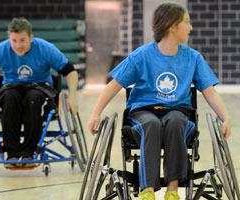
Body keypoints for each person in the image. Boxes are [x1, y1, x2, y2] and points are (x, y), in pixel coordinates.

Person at [88, 3, 231, 200]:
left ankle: (172, 191)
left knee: (175, 122)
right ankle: (147, 189)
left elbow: (210, 92)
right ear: (172, 26)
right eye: (187, 23)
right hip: (143, 112)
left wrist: (225, 117)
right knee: (152, 124)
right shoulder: (142, 55)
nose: (191, 28)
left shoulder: (192, 58)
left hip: (178, 111)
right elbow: (113, 85)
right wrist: (95, 113)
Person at [0, 18, 79, 168]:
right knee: (9, 98)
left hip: (39, 87)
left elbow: (70, 72)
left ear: (31, 38)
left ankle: (29, 152)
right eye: (14, 40)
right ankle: (12, 153)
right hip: (11, 87)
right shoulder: (1, 50)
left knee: (33, 99)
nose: (18, 45)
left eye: (22, 40)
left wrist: (72, 96)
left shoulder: (45, 48)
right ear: (9, 38)